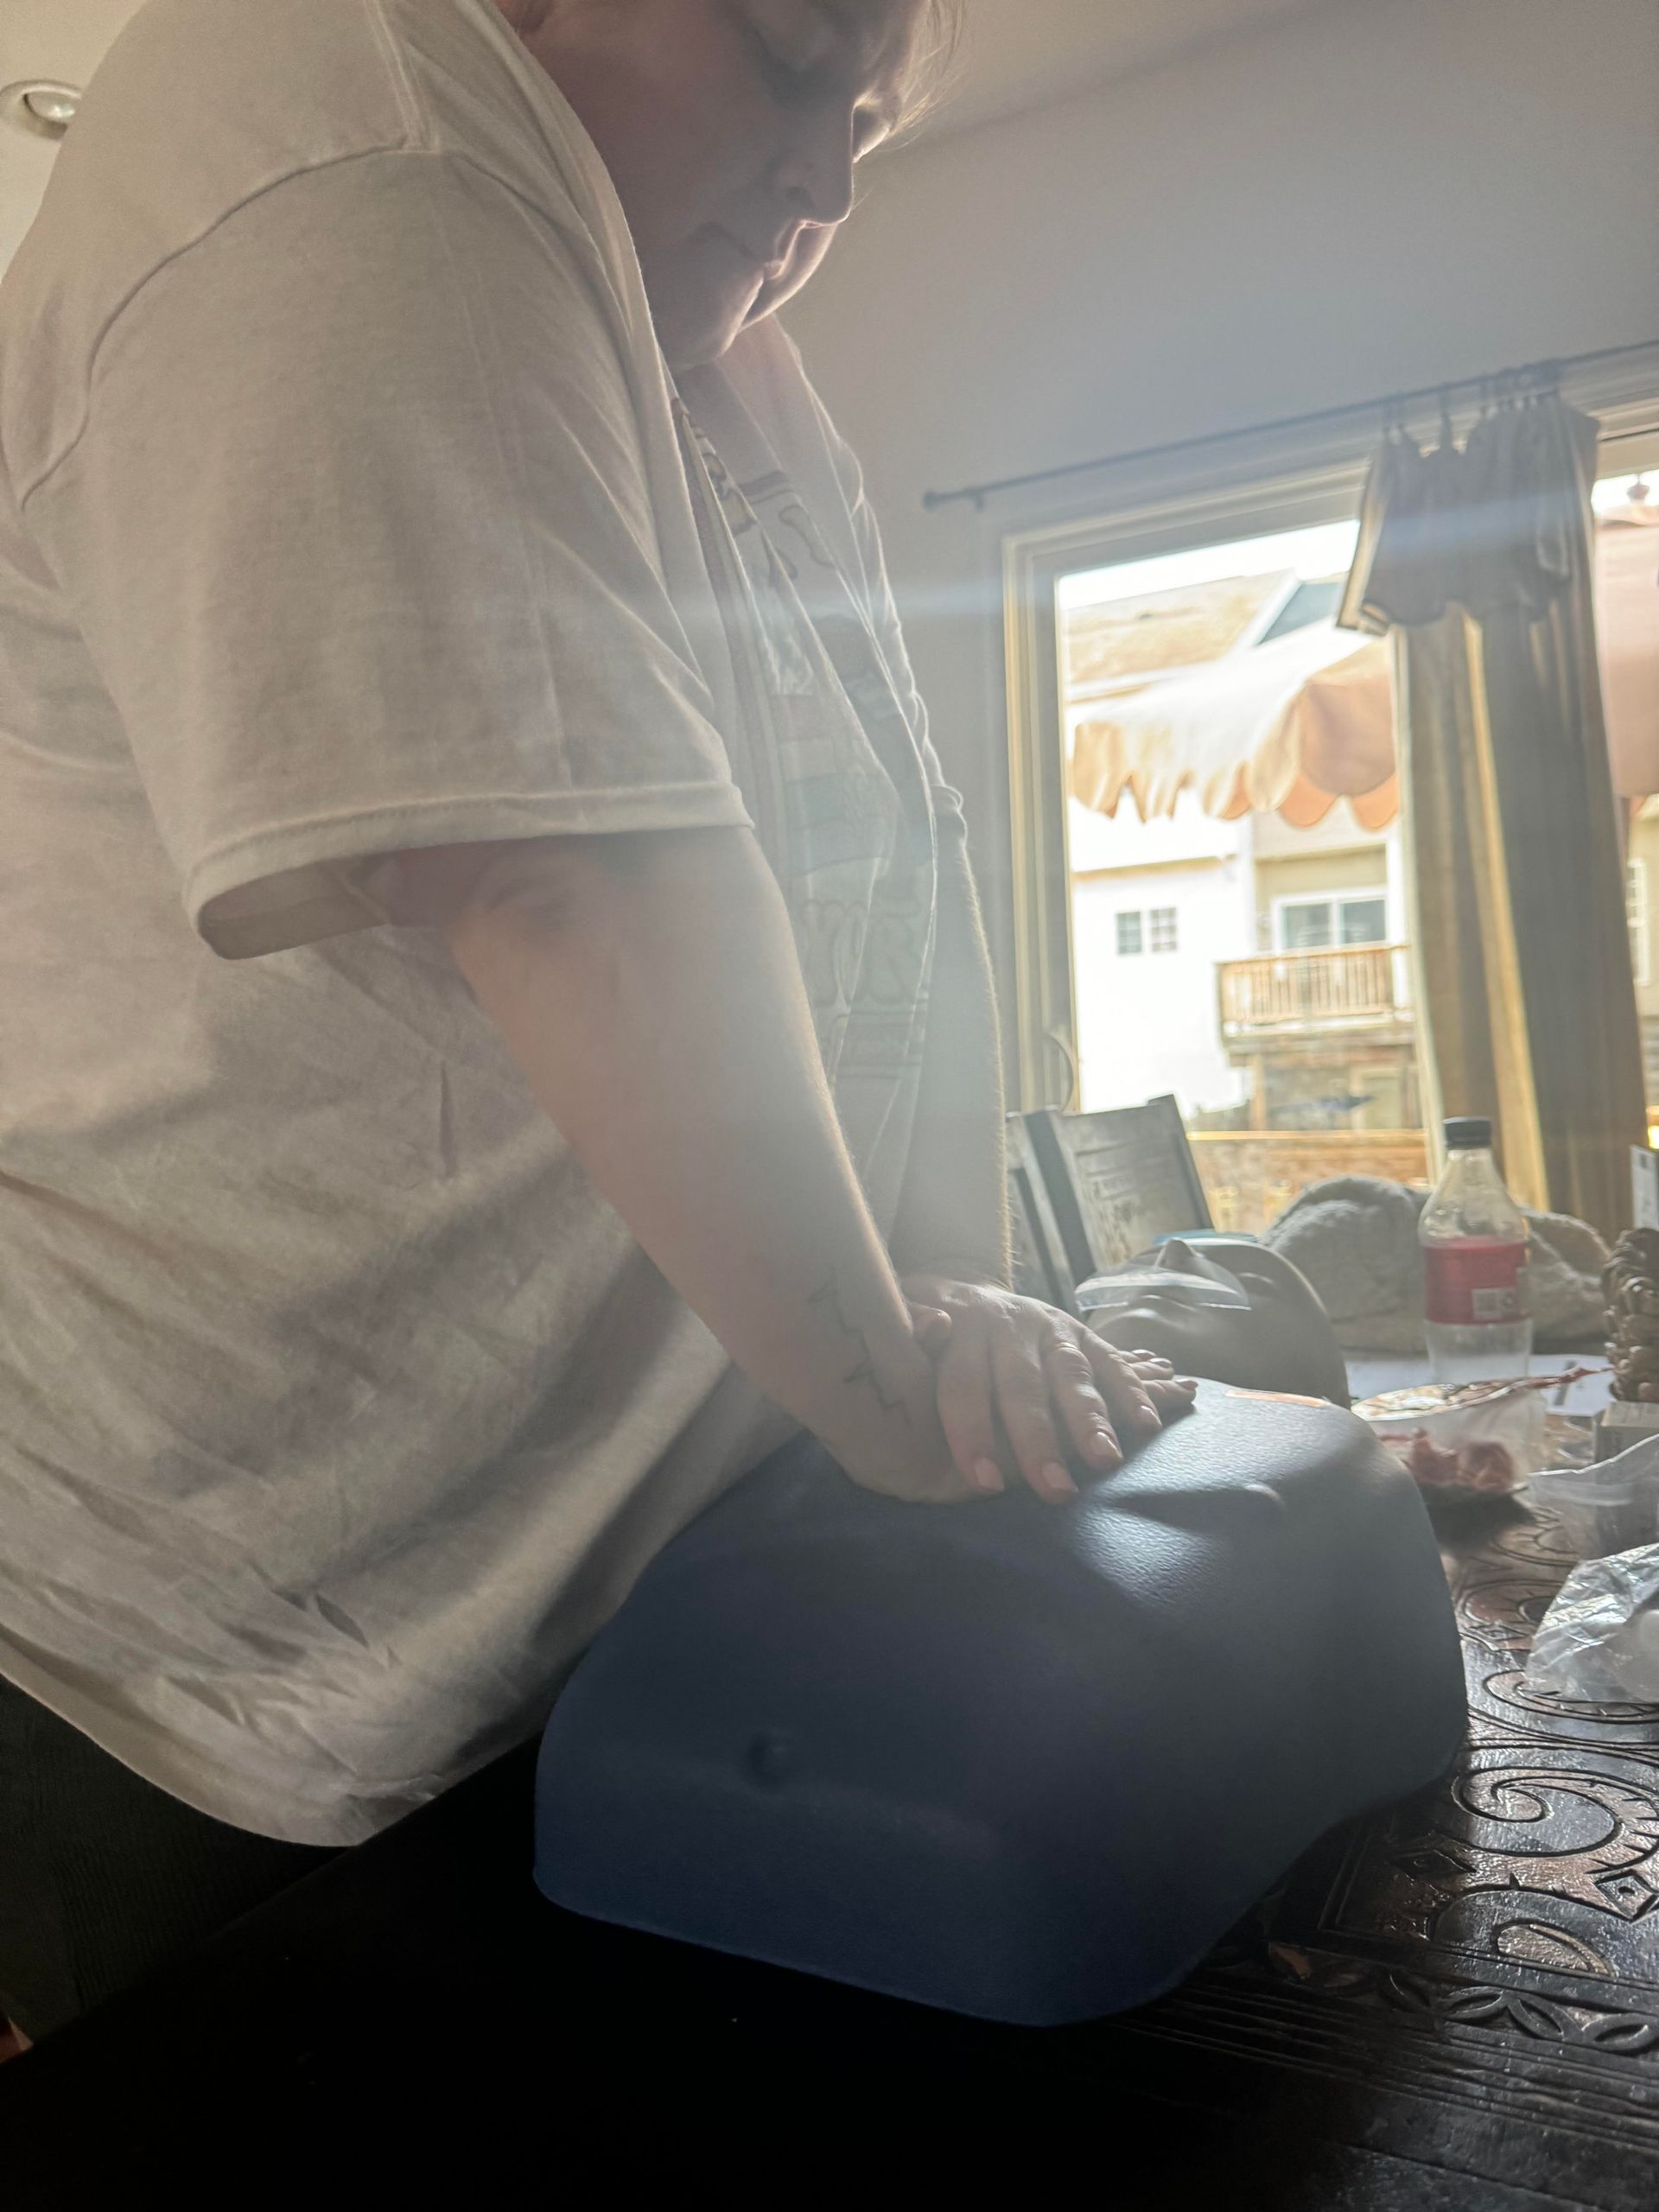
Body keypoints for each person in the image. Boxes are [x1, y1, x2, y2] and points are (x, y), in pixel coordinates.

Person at [0, 0, 1192, 2045]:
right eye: (793, 55)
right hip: (260, 1680)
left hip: (626, 1643)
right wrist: (895, 1397)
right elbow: (571, 889)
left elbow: (869, 888)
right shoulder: (359, 157)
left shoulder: (703, 353)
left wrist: (931, 1300)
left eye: (875, 124)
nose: (830, 176)